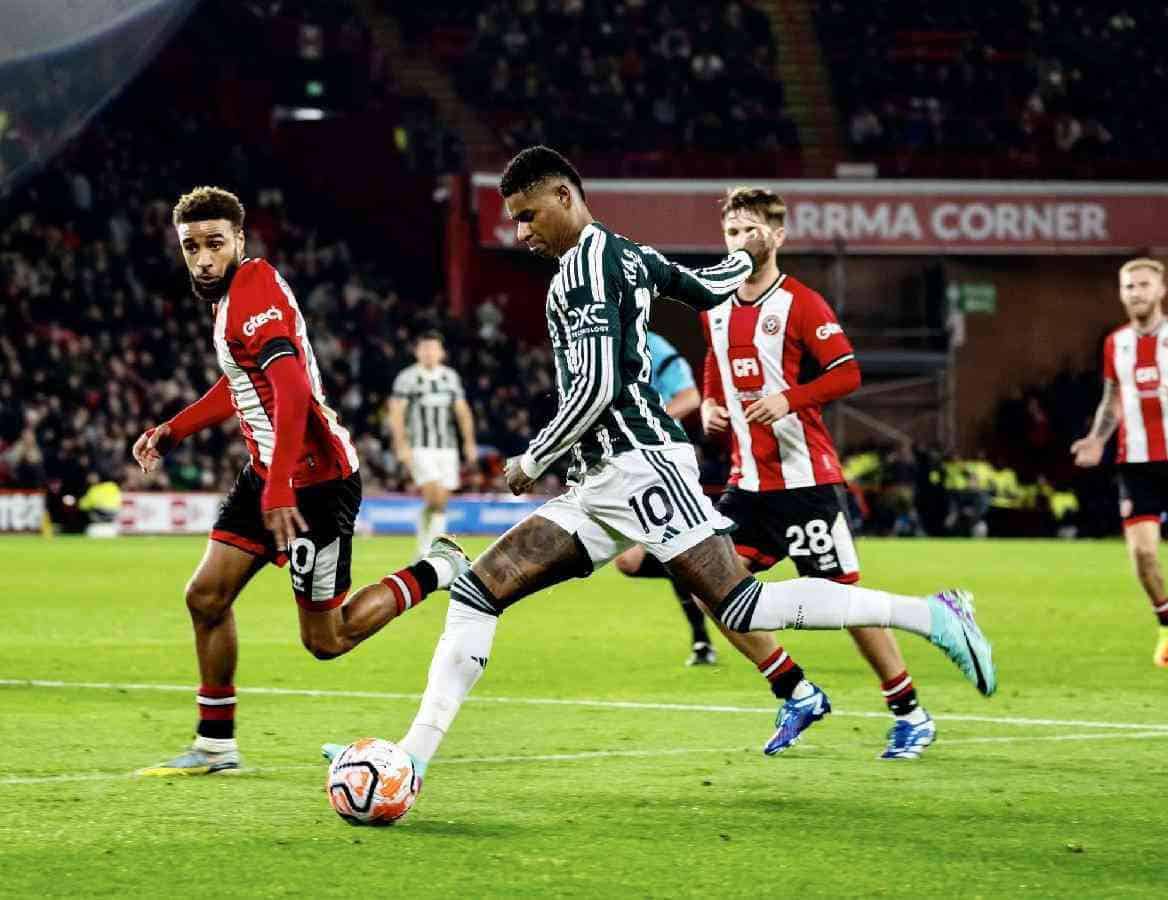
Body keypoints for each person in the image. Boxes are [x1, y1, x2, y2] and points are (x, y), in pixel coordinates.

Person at [324, 147, 995, 808]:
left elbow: (597, 385)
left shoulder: (584, 267)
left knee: (743, 606)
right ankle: (409, 761)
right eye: (515, 221)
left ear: (565, 196)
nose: (522, 233)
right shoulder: (627, 252)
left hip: (641, 465)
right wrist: (745, 257)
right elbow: (704, 286)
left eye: (529, 215)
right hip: (599, 485)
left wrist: (533, 458)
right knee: (478, 591)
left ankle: (933, 615)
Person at [132, 186, 468, 775]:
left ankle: (437, 568)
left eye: (215, 243)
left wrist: (281, 486)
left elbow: (291, 390)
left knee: (327, 640)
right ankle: (215, 745)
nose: (204, 258)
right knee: (205, 597)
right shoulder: (228, 301)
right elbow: (241, 384)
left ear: (240, 241)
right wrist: (174, 429)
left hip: (315, 484)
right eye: (191, 247)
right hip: (269, 474)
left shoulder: (254, 289)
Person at [698, 185, 938, 759]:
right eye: (732, 231)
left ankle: (910, 713)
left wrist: (790, 399)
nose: (739, 240)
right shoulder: (715, 304)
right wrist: (709, 402)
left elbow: (848, 372)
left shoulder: (801, 302)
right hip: (746, 486)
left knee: (846, 603)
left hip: (806, 483)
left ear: (777, 236)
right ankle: (795, 689)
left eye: (751, 230)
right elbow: (714, 360)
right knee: (710, 586)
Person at [1071, 257, 1168, 668]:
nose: (1136, 292)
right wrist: (1096, 439)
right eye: (1129, 286)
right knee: (1143, 555)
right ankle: (1166, 624)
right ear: (1121, 293)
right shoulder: (1116, 343)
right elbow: (1111, 398)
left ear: (1161, 290)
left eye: (1144, 285)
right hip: (1135, 461)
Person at [612, 330, 717, 666]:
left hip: (663, 461)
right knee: (629, 562)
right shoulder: (602, 348)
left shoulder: (655, 346)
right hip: (626, 463)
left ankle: (702, 639)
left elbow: (689, 396)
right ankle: (710, 572)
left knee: (671, 551)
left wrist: (650, 422)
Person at [389, 331, 477, 557]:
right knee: (434, 496)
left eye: (433, 348)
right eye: (424, 348)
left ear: (441, 353)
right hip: (420, 446)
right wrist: (401, 446)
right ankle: (434, 552)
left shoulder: (450, 377)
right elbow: (397, 413)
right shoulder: (407, 378)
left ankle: (424, 548)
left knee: (439, 504)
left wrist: (469, 443)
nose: (429, 353)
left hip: (447, 448)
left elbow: (463, 412)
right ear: (417, 352)